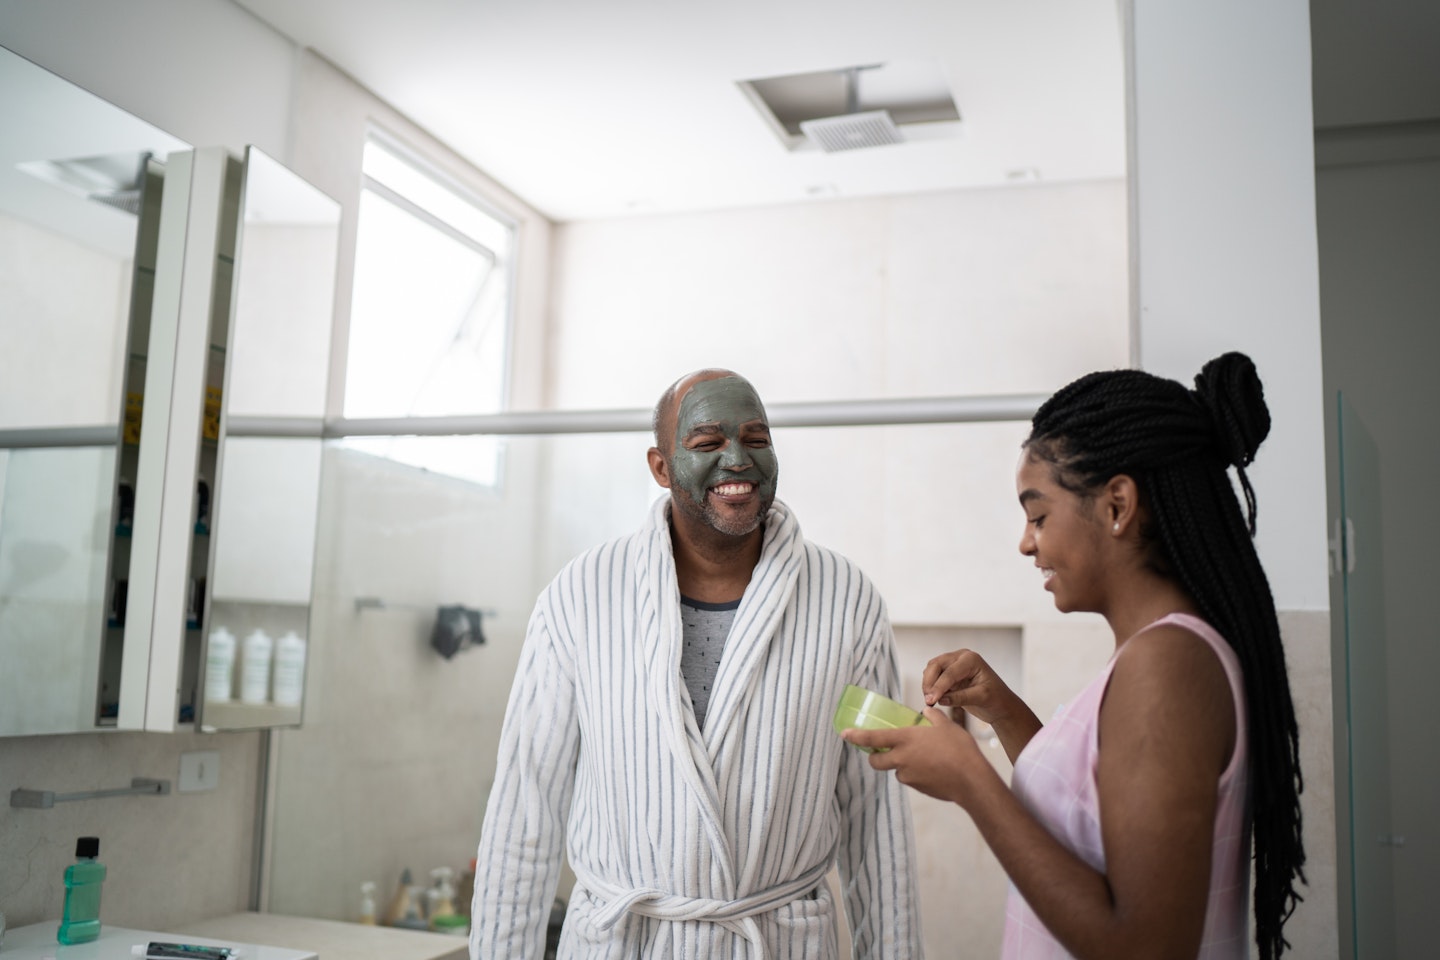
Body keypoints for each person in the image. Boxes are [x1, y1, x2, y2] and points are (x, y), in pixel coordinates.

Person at [844, 352, 1307, 959]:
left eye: (1039, 515)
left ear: (1117, 506)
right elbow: (1089, 821)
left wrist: (970, 781)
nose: (1026, 543)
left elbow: (1145, 945)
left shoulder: (1168, 666)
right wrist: (1004, 711)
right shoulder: (1154, 654)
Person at [471, 368, 923, 959]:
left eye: (756, 440)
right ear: (660, 467)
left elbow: (877, 818)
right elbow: (524, 808)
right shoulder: (580, 594)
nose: (737, 459)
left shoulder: (847, 597)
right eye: (708, 443)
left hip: (775, 938)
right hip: (622, 941)